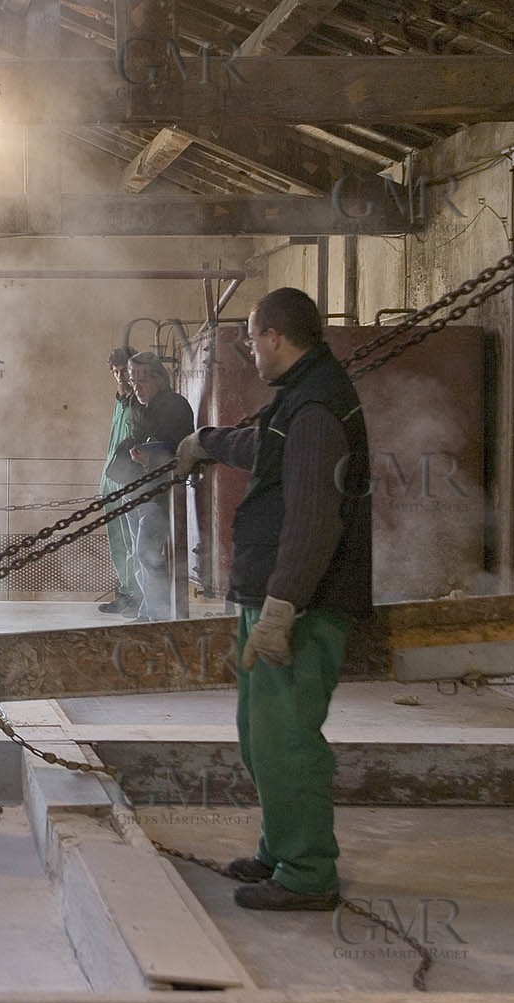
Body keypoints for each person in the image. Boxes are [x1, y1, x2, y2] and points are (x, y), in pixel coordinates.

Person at [174, 287, 372, 911]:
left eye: (253, 338)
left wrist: (282, 609)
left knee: (287, 739)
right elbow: (267, 451)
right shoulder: (299, 399)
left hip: (301, 607)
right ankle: (280, 847)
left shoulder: (316, 406)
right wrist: (209, 441)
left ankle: (308, 871)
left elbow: (314, 518)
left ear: (275, 338)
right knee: (259, 734)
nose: (250, 350)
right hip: (276, 598)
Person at [122, 351, 194, 622]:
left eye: (142, 380)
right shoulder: (137, 405)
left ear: (159, 378)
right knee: (137, 555)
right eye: (133, 380)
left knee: (147, 553)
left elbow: (181, 447)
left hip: (160, 492)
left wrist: (152, 456)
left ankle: (159, 615)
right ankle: (149, 611)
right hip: (136, 489)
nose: (136, 386)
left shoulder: (175, 405)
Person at [98, 346, 144, 616]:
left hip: (128, 481)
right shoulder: (119, 403)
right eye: (114, 371)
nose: (119, 376)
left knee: (132, 541)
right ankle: (126, 591)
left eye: (123, 370)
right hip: (111, 481)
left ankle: (136, 594)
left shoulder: (138, 404)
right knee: (118, 541)